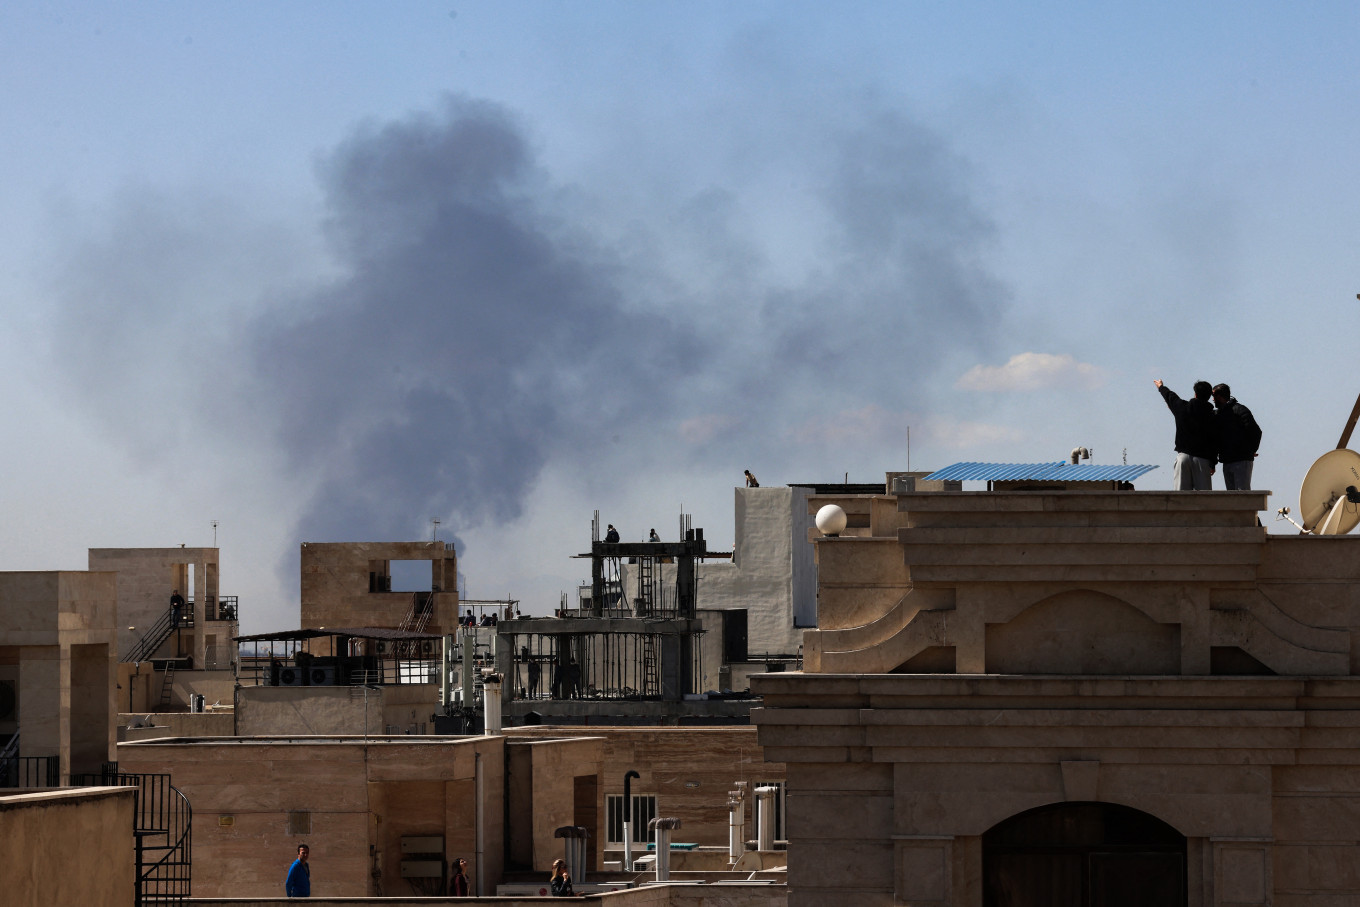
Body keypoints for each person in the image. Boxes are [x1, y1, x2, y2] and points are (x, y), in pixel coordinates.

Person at [1153, 379, 1217, 490]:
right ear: (1208, 396)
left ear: (1195, 394)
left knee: (1181, 498)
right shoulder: (1213, 415)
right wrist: (1213, 462)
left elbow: (1170, 396)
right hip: (1203, 459)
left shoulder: (1182, 407)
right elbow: (1214, 440)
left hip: (1183, 457)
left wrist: (1160, 386)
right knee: (1204, 500)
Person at [1213, 383, 1262, 490]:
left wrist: (1251, 450)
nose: (1212, 400)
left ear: (1219, 397)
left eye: (1214, 396)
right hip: (1228, 461)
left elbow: (1255, 431)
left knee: (1242, 496)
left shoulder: (1239, 410)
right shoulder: (1220, 414)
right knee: (1232, 499)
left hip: (1241, 460)